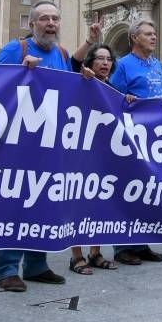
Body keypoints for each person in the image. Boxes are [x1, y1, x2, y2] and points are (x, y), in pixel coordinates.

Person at [0, 0, 97, 292]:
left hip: (51, 142)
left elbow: (66, 88)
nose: (51, 24)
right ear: (31, 25)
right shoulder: (17, 50)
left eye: (55, 19)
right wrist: (21, 73)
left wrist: (83, 79)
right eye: (44, 19)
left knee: (42, 202)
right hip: (19, 142)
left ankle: (37, 265)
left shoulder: (62, 54)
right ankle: (8, 269)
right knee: (16, 203)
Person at [108, 19, 162, 265]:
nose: (154, 37)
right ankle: (123, 247)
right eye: (148, 33)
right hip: (132, 136)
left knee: (148, 189)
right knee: (129, 188)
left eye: (155, 33)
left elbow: (161, 94)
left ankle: (142, 242)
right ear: (135, 38)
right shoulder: (123, 65)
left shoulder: (157, 64)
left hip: (155, 137)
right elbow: (113, 96)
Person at [67, 44, 119, 275]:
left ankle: (95, 253)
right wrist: (82, 73)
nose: (105, 63)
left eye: (109, 59)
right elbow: (73, 64)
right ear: (90, 62)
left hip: (103, 154)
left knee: (99, 202)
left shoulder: (111, 88)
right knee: (78, 202)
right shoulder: (80, 81)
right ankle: (76, 256)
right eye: (100, 59)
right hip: (79, 153)